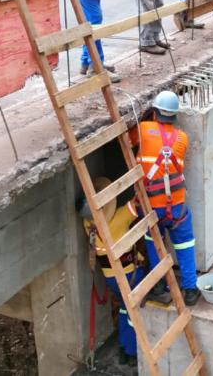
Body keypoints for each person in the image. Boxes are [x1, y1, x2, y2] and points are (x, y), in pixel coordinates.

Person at [134, 91, 200, 306]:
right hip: (177, 206)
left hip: (152, 207)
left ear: (155, 111)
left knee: (154, 244)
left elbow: (128, 141)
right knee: (184, 245)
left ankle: (160, 287)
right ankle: (190, 290)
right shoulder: (183, 138)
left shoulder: (142, 130)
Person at [77, 178, 145, 367]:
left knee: (125, 308)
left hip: (111, 279)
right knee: (133, 314)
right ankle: (131, 352)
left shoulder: (89, 225)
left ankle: (123, 347)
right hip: (131, 277)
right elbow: (138, 203)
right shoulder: (118, 220)